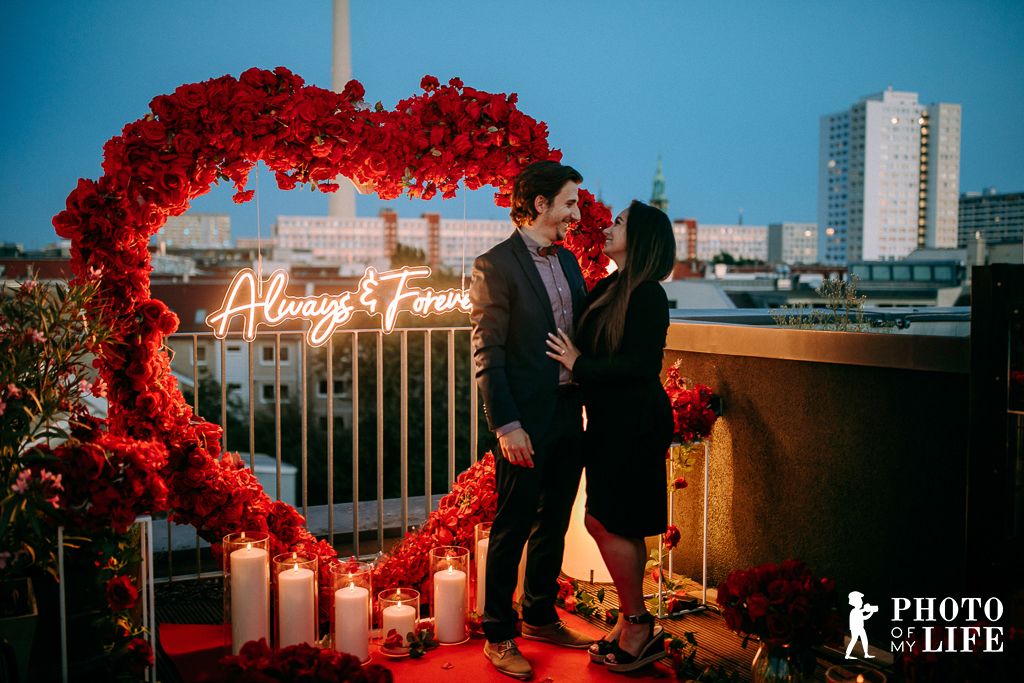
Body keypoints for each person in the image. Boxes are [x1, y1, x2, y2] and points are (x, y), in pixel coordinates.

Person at [470, 160, 596, 680]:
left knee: (556, 519)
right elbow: (487, 351)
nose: (576, 213)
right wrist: (506, 426)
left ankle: (540, 616)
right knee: (512, 525)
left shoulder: (568, 262)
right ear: (540, 204)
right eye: (569, 202)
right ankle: (498, 634)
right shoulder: (493, 265)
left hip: (570, 411)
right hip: (524, 420)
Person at [545, 200, 676, 673]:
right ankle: (634, 620)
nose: (608, 227)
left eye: (619, 223)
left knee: (605, 521)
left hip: (634, 424)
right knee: (613, 521)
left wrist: (578, 364)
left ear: (640, 239)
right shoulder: (612, 287)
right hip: (609, 421)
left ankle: (637, 621)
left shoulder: (647, 295)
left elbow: (641, 366)